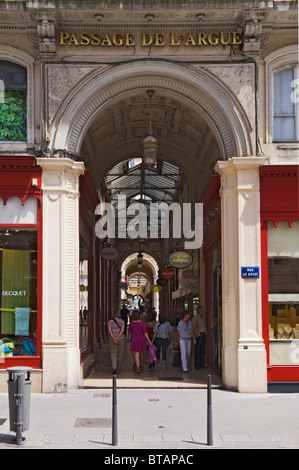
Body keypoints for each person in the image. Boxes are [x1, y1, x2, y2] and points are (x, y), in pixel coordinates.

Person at [107, 309, 126, 374]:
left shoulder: (110, 322)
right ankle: (119, 368)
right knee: (120, 354)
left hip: (112, 339)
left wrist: (114, 338)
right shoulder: (122, 321)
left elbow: (109, 331)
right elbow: (122, 330)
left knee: (113, 353)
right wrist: (117, 337)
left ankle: (114, 368)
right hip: (121, 339)